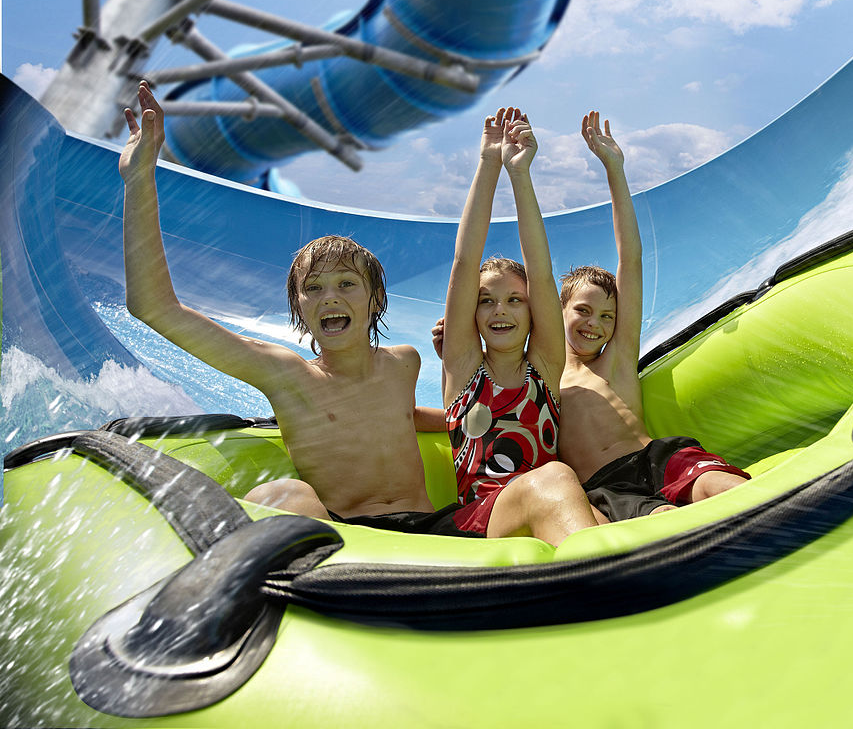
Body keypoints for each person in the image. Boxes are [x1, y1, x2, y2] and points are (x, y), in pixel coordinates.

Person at [119, 80, 472, 537]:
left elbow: (404, 417)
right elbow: (154, 307)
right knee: (279, 494)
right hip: (351, 541)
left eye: (347, 283)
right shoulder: (289, 377)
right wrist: (140, 177)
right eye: (313, 288)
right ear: (299, 309)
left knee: (542, 482)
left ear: (375, 300)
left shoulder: (406, 362)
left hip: (432, 529)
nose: (330, 297)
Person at [557, 110, 750, 520]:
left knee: (723, 487)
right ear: (557, 311)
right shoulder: (541, 377)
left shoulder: (617, 357)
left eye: (608, 316)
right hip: (605, 486)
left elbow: (631, 257)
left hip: (656, 459)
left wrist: (615, 169)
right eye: (583, 311)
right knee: (662, 525)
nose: (596, 323)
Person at [439, 107, 606, 546]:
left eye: (515, 300)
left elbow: (542, 271)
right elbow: (464, 262)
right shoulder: (462, 369)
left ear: (534, 313)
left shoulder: (545, 370)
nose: (501, 310)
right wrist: (488, 163)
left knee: (598, 511)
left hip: (554, 501)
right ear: (472, 315)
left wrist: (520, 173)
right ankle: (607, 582)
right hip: (485, 517)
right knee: (554, 479)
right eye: (487, 301)